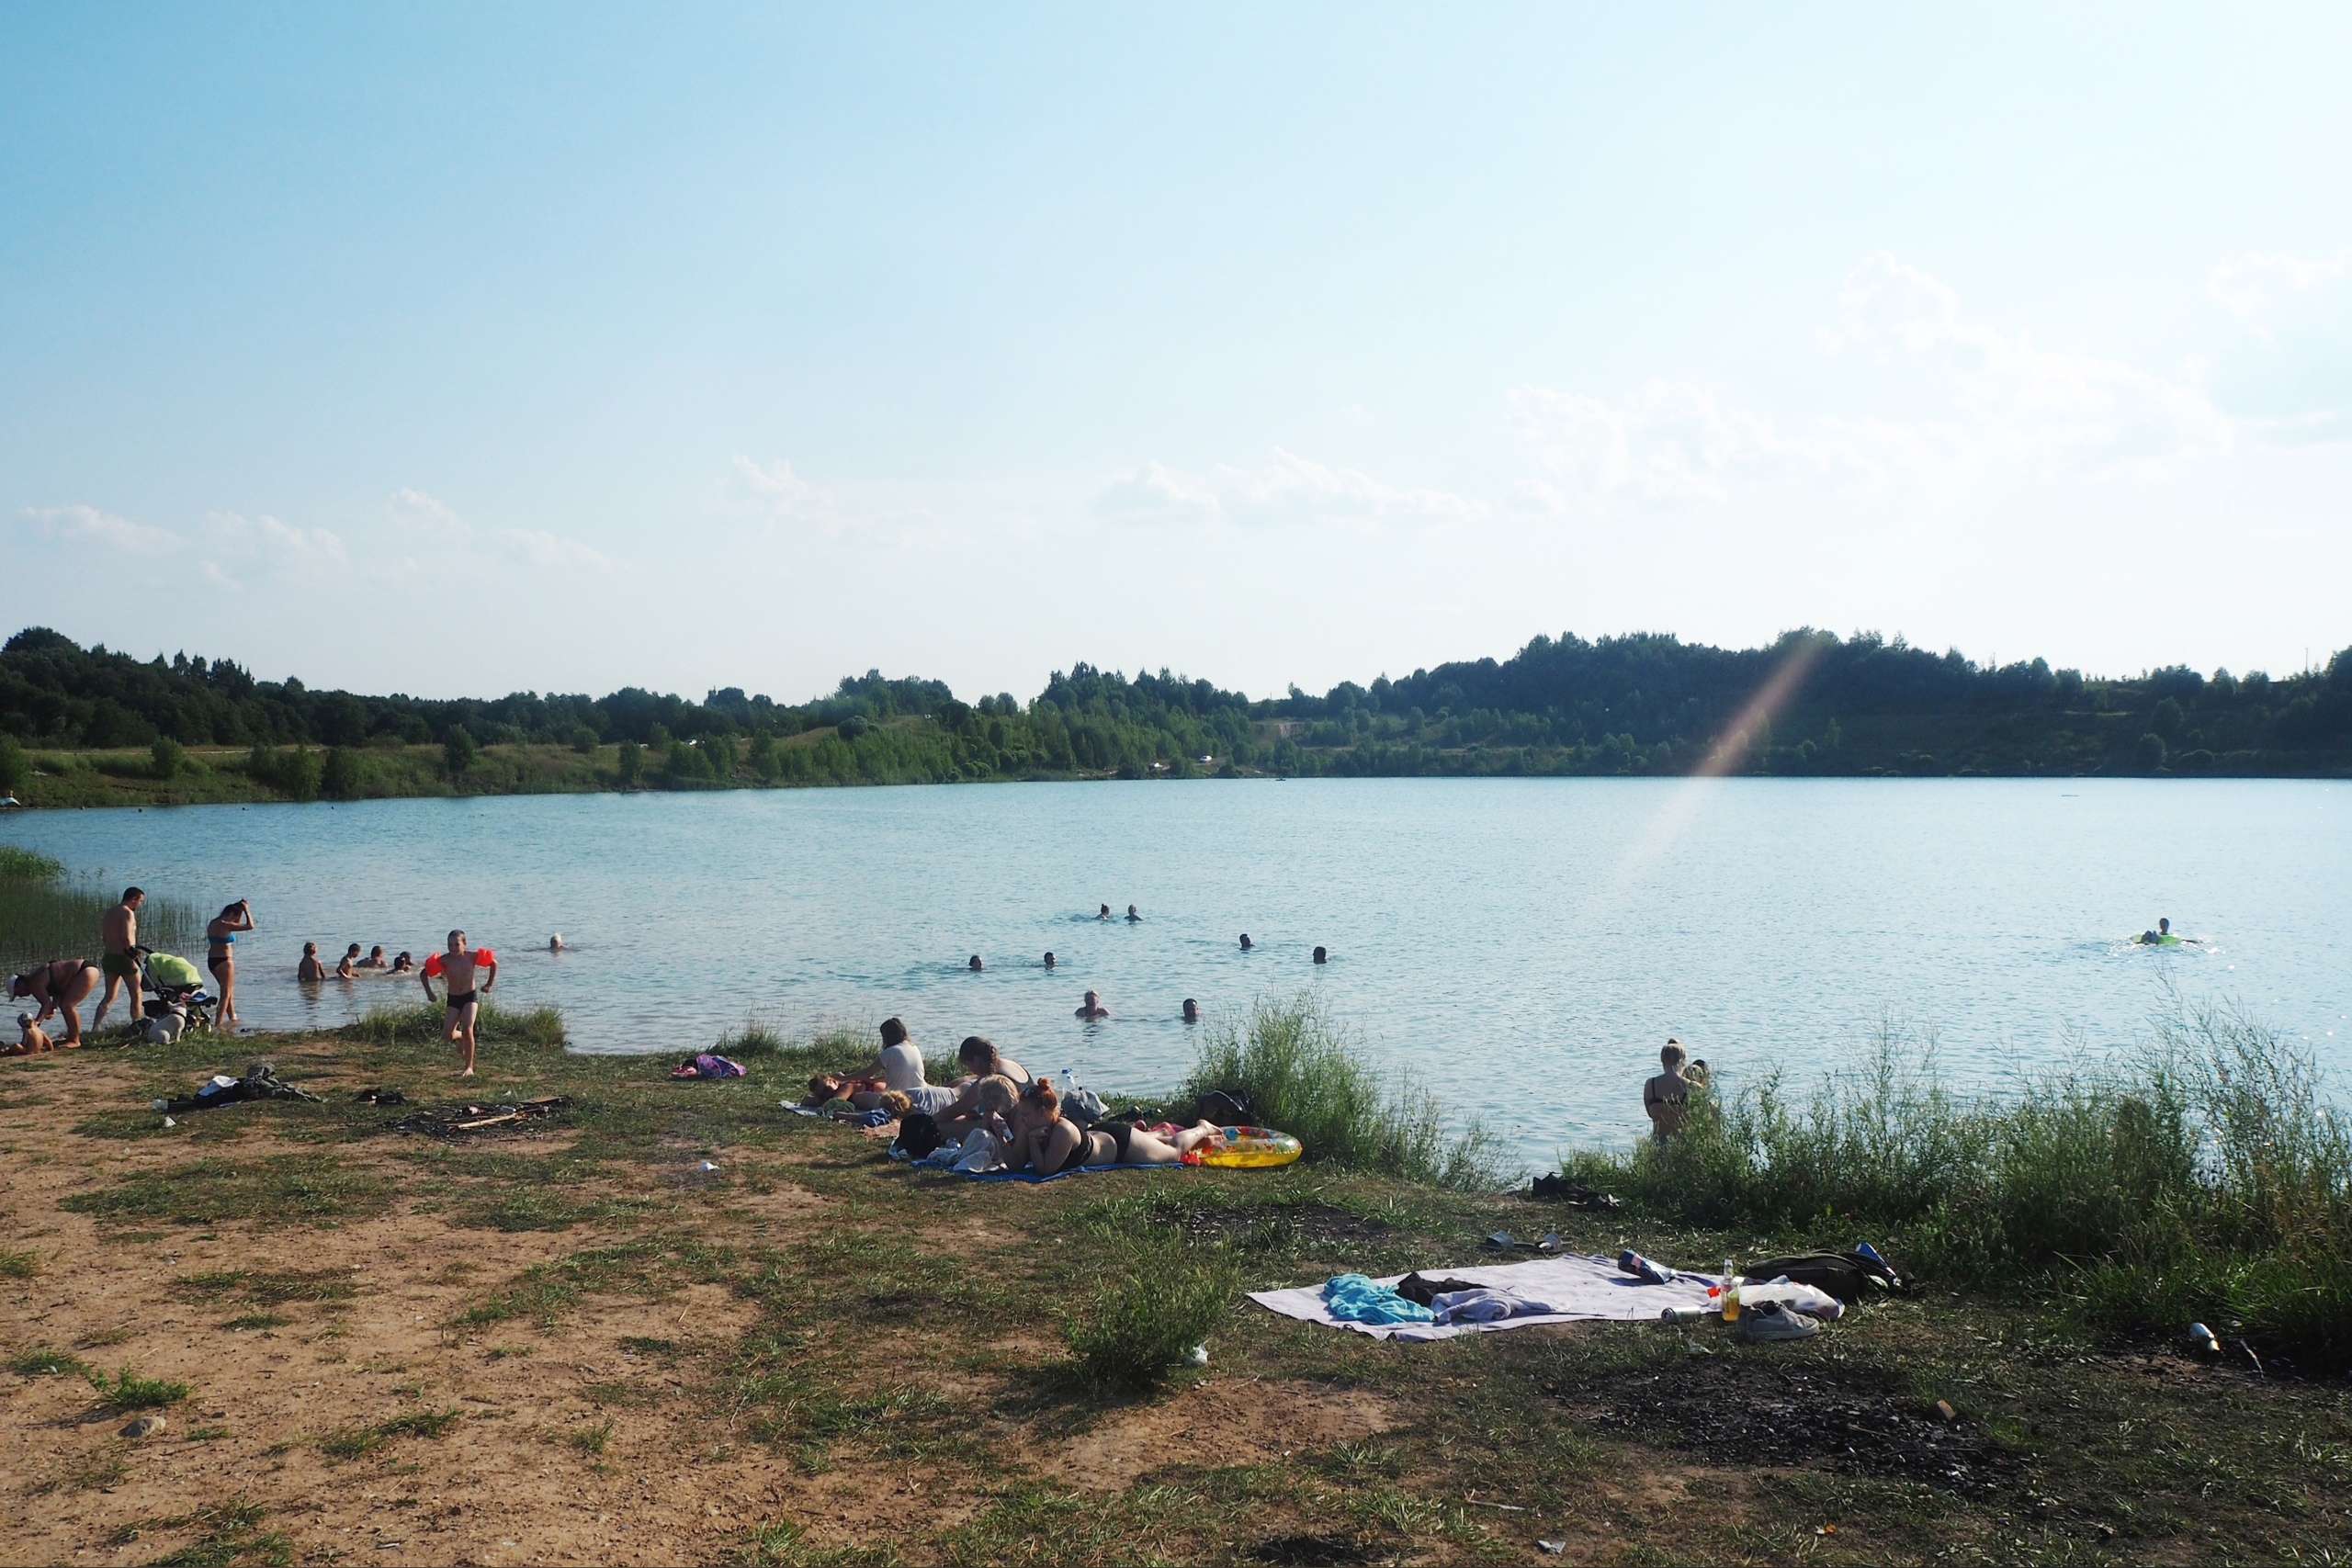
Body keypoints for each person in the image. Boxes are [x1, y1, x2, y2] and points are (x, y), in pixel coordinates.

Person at [420, 930, 498, 1077]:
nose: (453, 948)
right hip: (453, 998)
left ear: (464, 944)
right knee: (447, 1036)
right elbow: (424, 974)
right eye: (450, 945)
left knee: (469, 1029)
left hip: (470, 997)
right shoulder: (444, 960)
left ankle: (469, 1067)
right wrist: (429, 993)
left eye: (456, 944)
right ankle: (462, 1037)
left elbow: (493, 963)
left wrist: (489, 984)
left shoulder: (471, 957)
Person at [844, 1018, 958, 1116]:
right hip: (920, 1093)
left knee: (858, 1097)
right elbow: (903, 1073)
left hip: (898, 1099)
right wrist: (875, 1080)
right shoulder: (914, 1048)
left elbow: (866, 1073)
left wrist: (842, 1078)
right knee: (879, 1087)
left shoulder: (889, 1052)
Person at [11, 957, 100, 1045]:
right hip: (86, 969)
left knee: (68, 1005)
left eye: (17, 993)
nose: (20, 996)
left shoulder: (33, 983)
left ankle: (74, 1040)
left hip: (84, 971)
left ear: (19, 983)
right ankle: (71, 1038)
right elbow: (58, 988)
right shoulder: (34, 980)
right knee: (65, 1005)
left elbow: (46, 1005)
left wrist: (35, 1024)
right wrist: (54, 1006)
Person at [92, 886, 144, 1032]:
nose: (139, 904)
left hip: (109, 957)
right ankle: (137, 1025)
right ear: (133, 899)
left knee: (109, 996)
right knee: (136, 994)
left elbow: (104, 937)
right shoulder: (127, 913)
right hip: (125, 957)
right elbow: (126, 937)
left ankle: (95, 1027)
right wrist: (134, 953)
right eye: (140, 901)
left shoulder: (109, 912)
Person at [206, 900, 254, 1029]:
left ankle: (232, 1018)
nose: (236, 919)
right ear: (231, 914)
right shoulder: (226, 925)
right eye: (235, 915)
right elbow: (250, 926)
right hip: (225, 961)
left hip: (212, 961)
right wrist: (247, 911)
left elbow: (236, 923)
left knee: (229, 991)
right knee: (226, 994)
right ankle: (218, 1024)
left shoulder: (213, 922)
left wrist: (240, 908)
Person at [1644, 1040, 1692, 1141]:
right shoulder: (1691, 1087)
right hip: (1683, 1144)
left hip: (1657, 1143)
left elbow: (1650, 1113)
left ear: (1662, 1060)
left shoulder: (1651, 1084)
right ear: (1683, 1061)